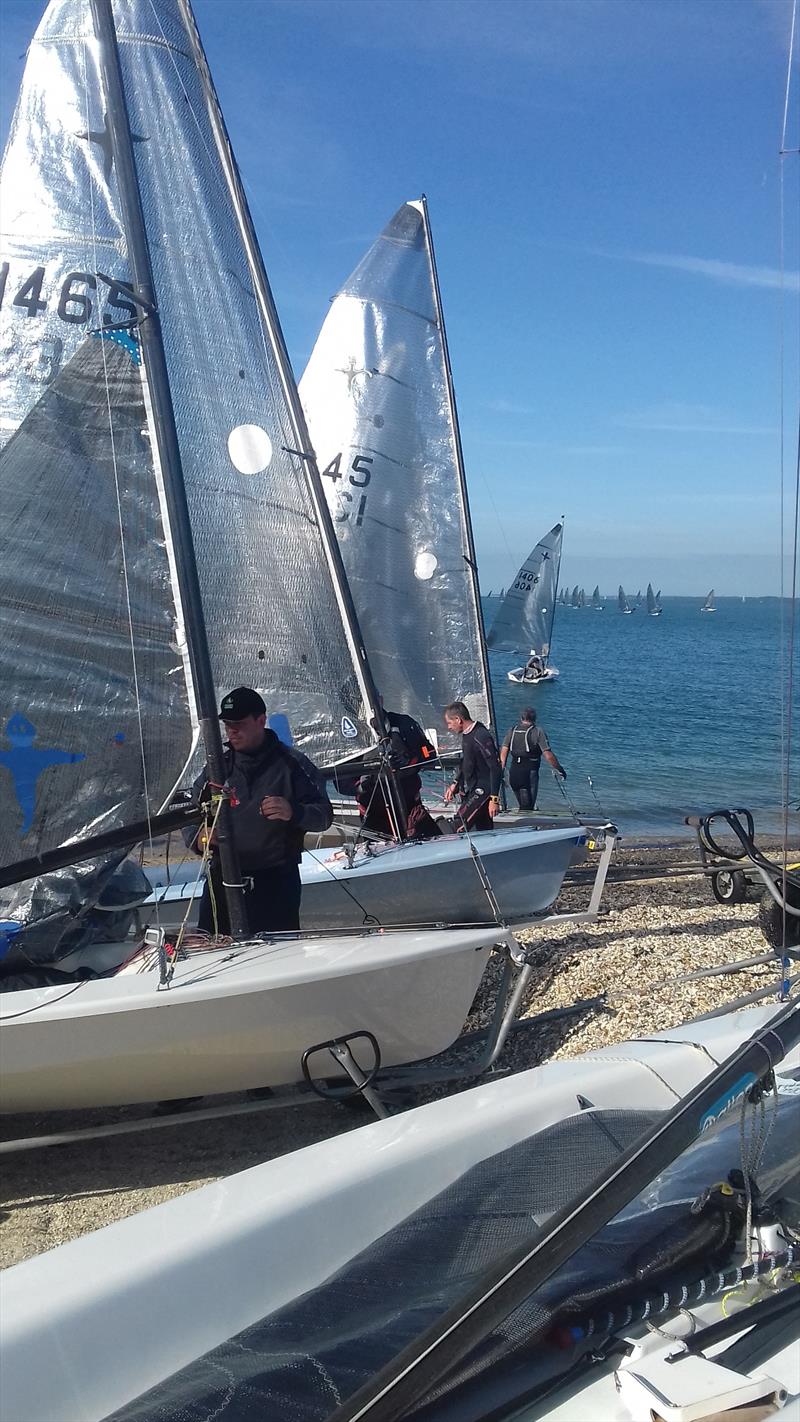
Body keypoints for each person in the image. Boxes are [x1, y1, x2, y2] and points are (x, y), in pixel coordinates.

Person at [184, 686, 333, 935]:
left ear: (261, 721)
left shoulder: (292, 764)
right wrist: (200, 839)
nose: (232, 731)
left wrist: (293, 812)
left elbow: (324, 815)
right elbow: (189, 815)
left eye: (239, 723)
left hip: (274, 883)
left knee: (279, 958)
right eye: (227, 724)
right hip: (222, 881)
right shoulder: (216, 768)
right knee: (212, 951)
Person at [356, 705, 441, 840]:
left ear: (380, 699)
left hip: (410, 808)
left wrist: (409, 759)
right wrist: (371, 775)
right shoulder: (350, 733)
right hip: (374, 812)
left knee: (435, 843)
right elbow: (340, 782)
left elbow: (429, 752)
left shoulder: (403, 723)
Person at [443, 701, 502, 832]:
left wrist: (494, 799)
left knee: (458, 825)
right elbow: (467, 762)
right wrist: (455, 783)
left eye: (449, 722)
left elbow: (496, 767)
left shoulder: (480, 735)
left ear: (458, 719)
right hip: (472, 787)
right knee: (484, 829)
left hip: (484, 789)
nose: (449, 727)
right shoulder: (466, 735)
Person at [500, 706, 566, 811]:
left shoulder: (512, 730)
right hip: (528, 775)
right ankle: (525, 825)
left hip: (514, 774)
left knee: (523, 805)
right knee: (528, 808)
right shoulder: (538, 732)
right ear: (535, 719)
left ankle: (520, 821)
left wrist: (500, 772)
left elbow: (503, 753)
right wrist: (560, 769)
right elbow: (548, 755)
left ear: (521, 718)